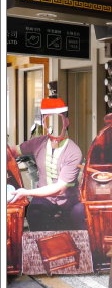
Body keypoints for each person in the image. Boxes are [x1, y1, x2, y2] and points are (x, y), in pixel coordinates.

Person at [8, 98, 87, 231]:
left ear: (66, 122)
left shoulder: (74, 151)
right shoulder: (38, 143)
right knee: (34, 213)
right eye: (48, 120)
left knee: (80, 213)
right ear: (45, 124)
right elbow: (13, 151)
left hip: (69, 200)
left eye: (58, 120)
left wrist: (26, 192)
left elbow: (59, 188)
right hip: (43, 199)